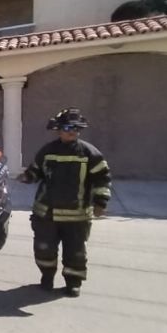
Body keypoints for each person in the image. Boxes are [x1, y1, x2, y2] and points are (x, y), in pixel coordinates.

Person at [18, 108, 112, 297]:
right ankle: (46, 278)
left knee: (75, 252)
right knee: (44, 249)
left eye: (77, 129)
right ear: (59, 129)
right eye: (68, 127)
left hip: (76, 216)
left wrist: (101, 202)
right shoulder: (48, 151)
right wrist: (27, 177)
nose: (73, 132)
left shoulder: (89, 153)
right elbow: (36, 171)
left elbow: (102, 178)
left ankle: (73, 283)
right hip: (47, 214)